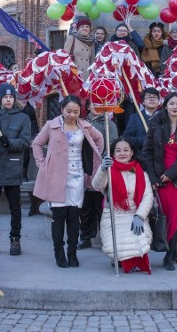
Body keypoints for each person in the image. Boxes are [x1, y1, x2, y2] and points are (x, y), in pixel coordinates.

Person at [32, 95, 104, 268]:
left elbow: (99, 138)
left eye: (76, 111)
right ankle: (59, 252)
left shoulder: (85, 126)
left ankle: (72, 252)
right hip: (56, 176)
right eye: (69, 111)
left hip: (77, 175)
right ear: (62, 110)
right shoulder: (52, 125)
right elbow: (36, 144)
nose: (72, 114)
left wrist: (94, 160)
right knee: (58, 216)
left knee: (73, 215)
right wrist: (42, 165)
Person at [142, 93, 177, 271]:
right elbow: (147, 153)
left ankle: (169, 255)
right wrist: (153, 178)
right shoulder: (156, 125)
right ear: (165, 106)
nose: (175, 106)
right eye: (171, 103)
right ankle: (174, 251)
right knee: (166, 219)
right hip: (161, 181)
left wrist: (170, 174)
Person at [0, 84, 31, 257]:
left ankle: (15, 239)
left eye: (10, 97)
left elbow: (25, 142)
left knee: (15, 207)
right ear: (0, 100)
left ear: (14, 99)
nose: (8, 100)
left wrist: (9, 142)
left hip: (11, 167)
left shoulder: (23, 118)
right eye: (4, 97)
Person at [92, 139, 154, 273]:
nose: (122, 153)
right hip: (113, 214)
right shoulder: (108, 170)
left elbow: (147, 196)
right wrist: (102, 169)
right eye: (118, 151)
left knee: (140, 237)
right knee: (119, 241)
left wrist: (140, 216)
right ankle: (121, 260)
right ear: (113, 153)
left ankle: (134, 261)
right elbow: (96, 185)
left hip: (135, 213)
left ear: (132, 152)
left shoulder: (141, 172)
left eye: (126, 150)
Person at [77, 103, 118, 250]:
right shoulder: (81, 122)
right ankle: (85, 236)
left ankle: (105, 237)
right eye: (94, 104)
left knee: (101, 207)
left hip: (101, 168)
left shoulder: (109, 124)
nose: (97, 107)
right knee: (85, 207)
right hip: (84, 166)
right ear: (88, 107)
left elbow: (112, 145)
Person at [122, 87, 161, 156]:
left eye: (154, 97)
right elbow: (127, 138)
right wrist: (145, 141)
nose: (152, 99)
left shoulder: (164, 117)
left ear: (158, 101)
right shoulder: (135, 118)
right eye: (149, 97)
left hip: (160, 157)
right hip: (141, 157)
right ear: (143, 101)